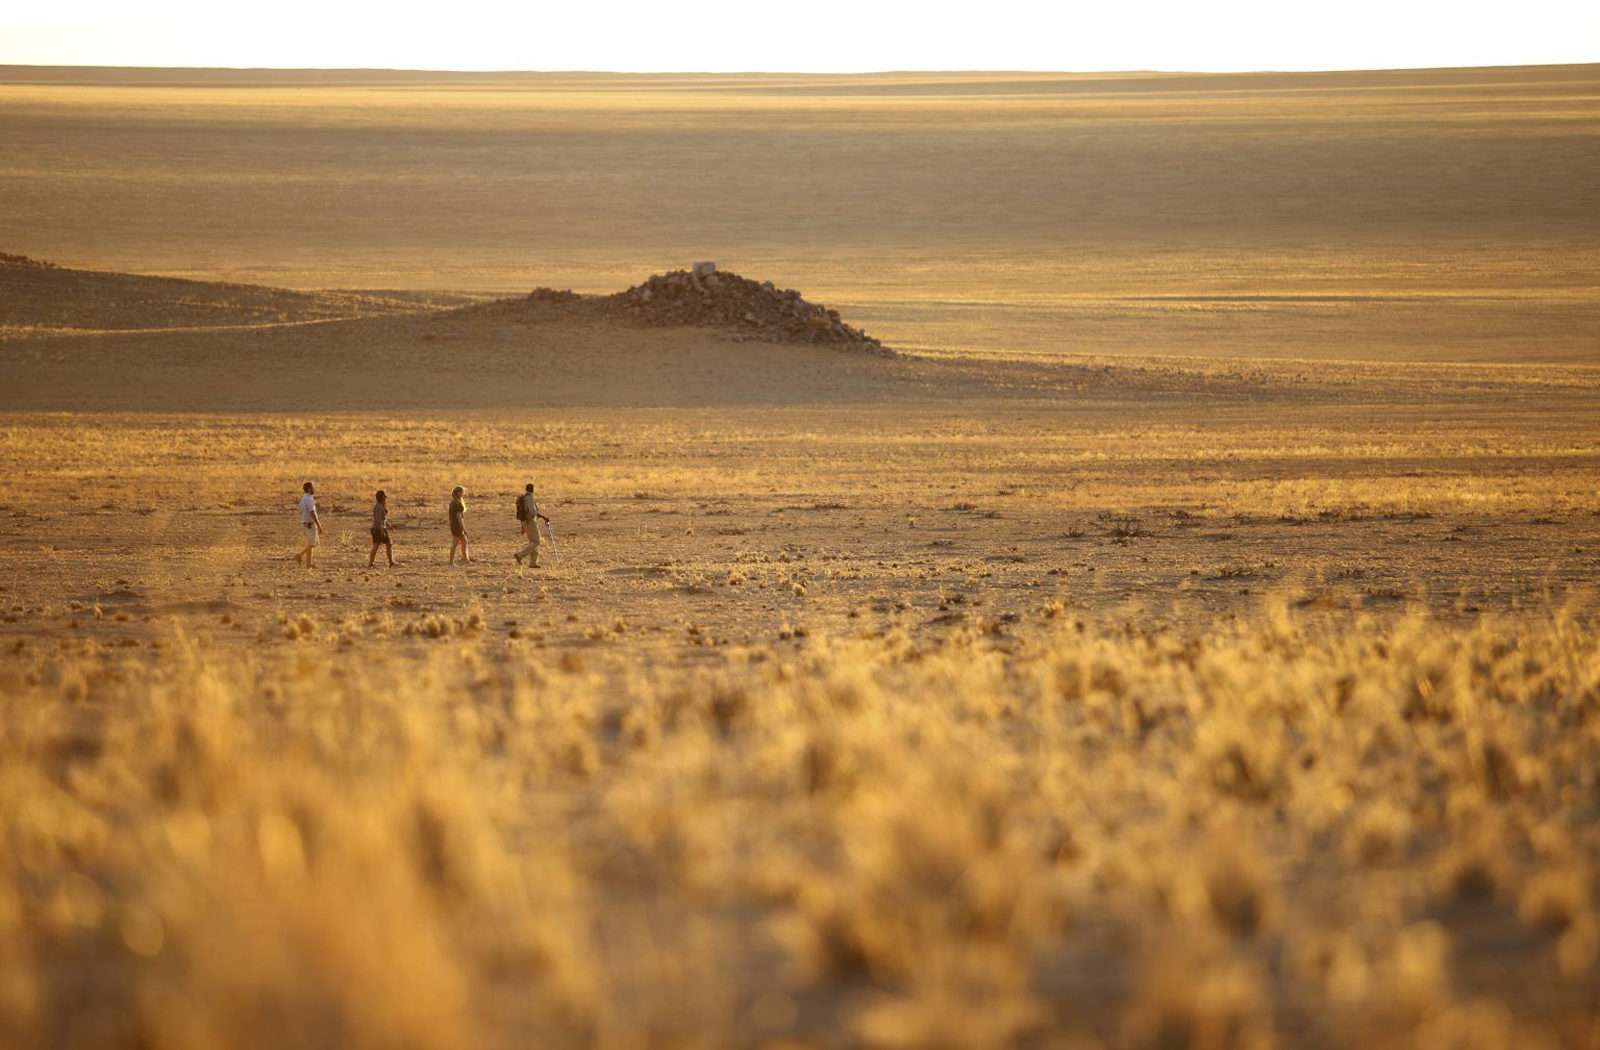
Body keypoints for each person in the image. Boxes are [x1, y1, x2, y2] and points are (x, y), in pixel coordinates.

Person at [515, 483, 551, 567]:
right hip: (530, 521)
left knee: (532, 541)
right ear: (532, 489)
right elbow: (533, 512)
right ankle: (520, 555)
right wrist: (544, 517)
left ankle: (533, 562)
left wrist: (523, 527)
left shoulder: (524, 497)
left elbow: (522, 513)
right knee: (536, 541)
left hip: (525, 522)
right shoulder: (529, 497)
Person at [296, 481, 323, 568]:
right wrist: (319, 525)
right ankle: (299, 555)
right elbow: (312, 513)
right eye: (312, 487)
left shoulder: (303, 499)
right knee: (313, 543)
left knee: (310, 544)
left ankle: (308, 564)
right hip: (309, 524)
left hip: (305, 523)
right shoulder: (309, 499)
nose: (314, 489)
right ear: (309, 489)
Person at [368, 489, 393, 567]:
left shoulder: (380, 506)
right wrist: (382, 531)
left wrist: (389, 526)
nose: (385, 498)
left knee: (377, 545)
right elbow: (379, 521)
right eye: (384, 497)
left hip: (379, 528)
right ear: (382, 497)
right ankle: (391, 562)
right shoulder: (378, 507)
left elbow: (383, 519)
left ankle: (371, 564)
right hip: (378, 529)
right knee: (386, 544)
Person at [448, 486, 470, 565]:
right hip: (457, 526)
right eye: (462, 492)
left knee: (464, 542)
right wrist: (464, 528)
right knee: (455, 544)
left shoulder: (453, 501)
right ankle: (451, 563)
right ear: (458, 493)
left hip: (455, 525)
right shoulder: (457, 503)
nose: (463, 494)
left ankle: (466, 561)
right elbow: (459, 518)